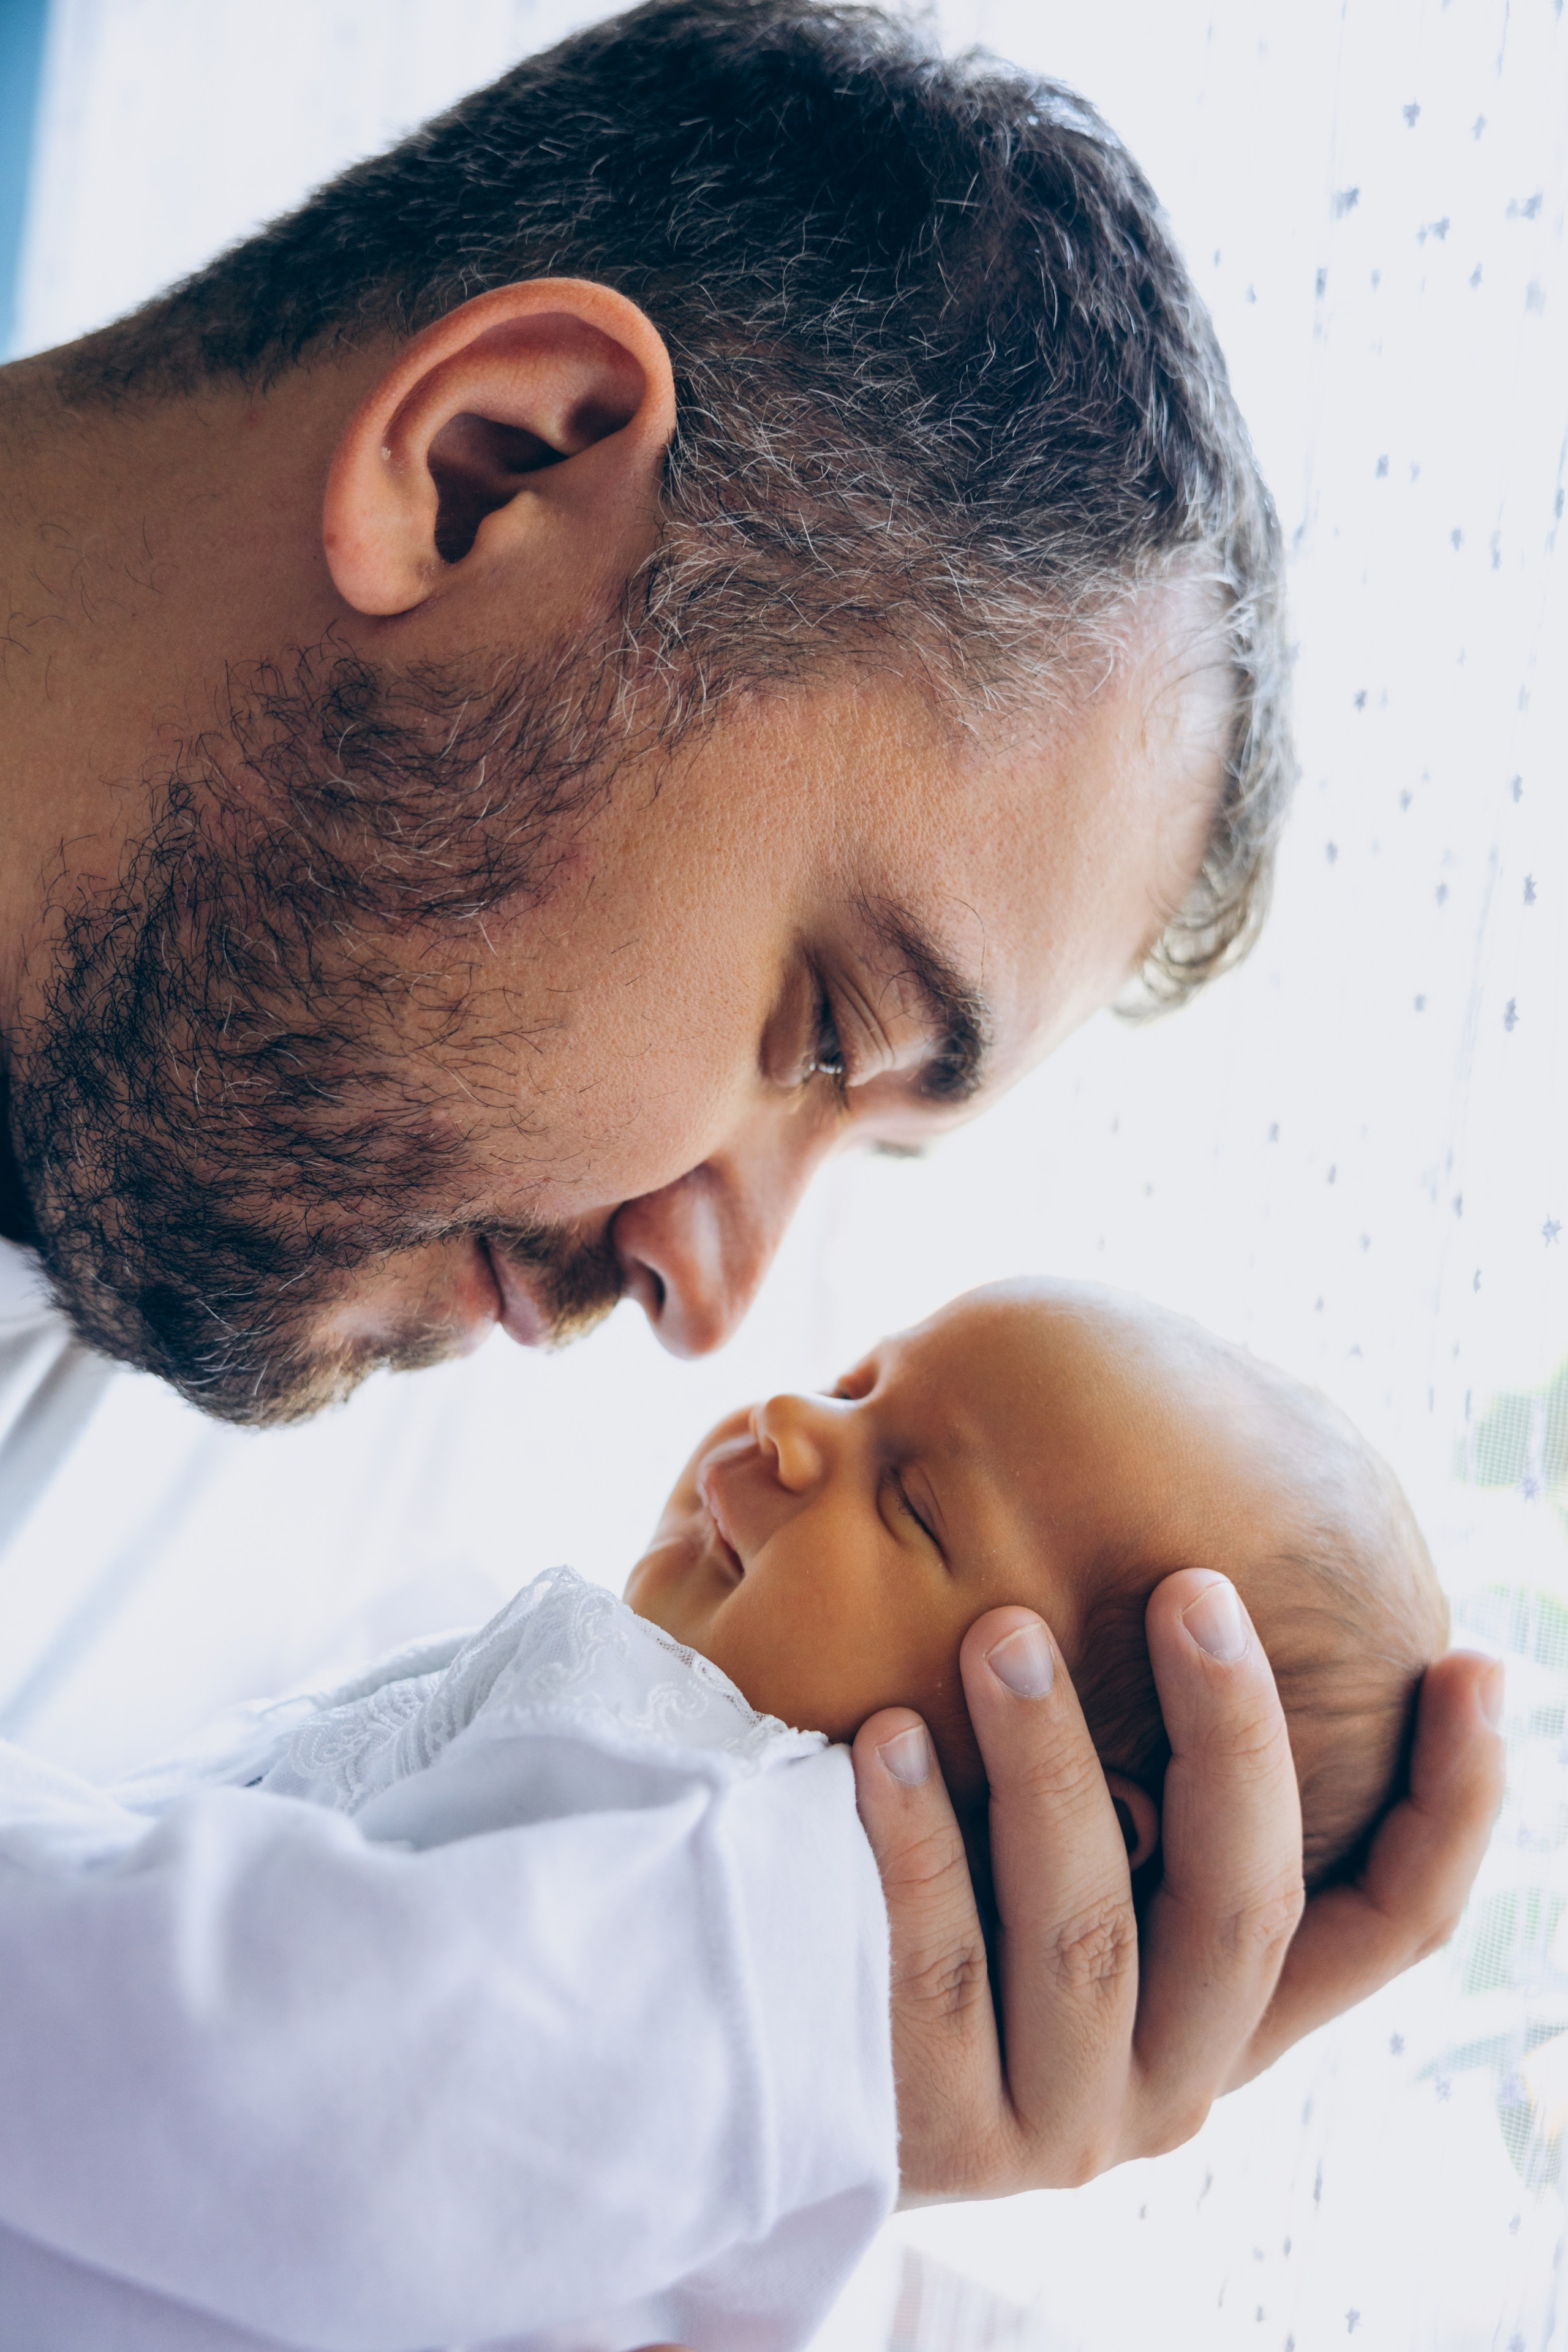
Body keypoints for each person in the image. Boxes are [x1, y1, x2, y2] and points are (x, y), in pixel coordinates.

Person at [0, 0, 1503, 2336]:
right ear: (488, 475)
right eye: (819, 1029)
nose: (718, 1301)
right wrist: (726, 2046)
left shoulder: (304, 1366)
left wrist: (834, 2122)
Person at [1, 1278, 1450, 2351]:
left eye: (917, 1510)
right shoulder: (684, 1836)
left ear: (1047, 1802)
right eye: (856, 1384)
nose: (792, 1425)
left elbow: (213, 2050)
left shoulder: (727, 1895)